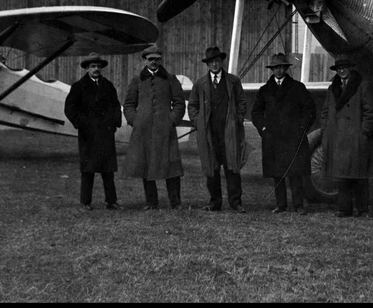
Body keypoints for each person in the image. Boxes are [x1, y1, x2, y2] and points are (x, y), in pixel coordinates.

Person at [251, 53, 317, 215]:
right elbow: (256, 113)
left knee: (296, 172)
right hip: (273, 138)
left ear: (286, 68)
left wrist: (302, 128)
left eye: (281, 67)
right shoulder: (265, 90)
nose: (279, 71)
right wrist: (263, 129)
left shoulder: (297, 87)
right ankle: (281, 205)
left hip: (294, 137)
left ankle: (298, 205)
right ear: (272, 70)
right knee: (277, 172)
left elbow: (310, 110)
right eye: (276, 68)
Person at [122, 44, 185, 210]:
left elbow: (179, 103)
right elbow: (128, 104)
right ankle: (151, 202)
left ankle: (176, 202)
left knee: (171, 166)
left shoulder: (171, 79)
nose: (154, 62)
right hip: (144, 131)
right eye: (151, 59)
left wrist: (172, 120)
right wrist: (135, 121)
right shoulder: (137, 80)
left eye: (157, 59)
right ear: (144, 60)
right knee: (146, 165)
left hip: (165, 130)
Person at [188, 46, 248, 213]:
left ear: (222, 62)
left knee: (232, 168)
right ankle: (215, 203)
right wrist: (198, 122)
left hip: (229, 133)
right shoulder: (200, 84)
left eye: (217, 61)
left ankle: (236, 202)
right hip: (209, 134)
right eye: (211, 62)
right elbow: (192, 106)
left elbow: (242, 102)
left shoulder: (233, 81)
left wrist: (238, 118)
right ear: (207, 65)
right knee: (211, 169)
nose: (214, 64)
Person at [318, 55, 373, 217]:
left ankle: (363, 209)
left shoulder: (362, 85)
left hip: (356, 137)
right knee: (341, 177)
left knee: (359, 176)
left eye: (344, 67)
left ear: (351, 68)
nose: (342, 70)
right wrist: (326, 129)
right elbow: (325, 111)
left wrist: (364, 132)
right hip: (337, 137)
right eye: (339, 68)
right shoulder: (333, 88)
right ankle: (344, 209)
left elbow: (370, 111)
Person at [64, 53, 123, 211]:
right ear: (87, 68)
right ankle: (85, 202)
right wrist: (83, 124)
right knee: (88, 170)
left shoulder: (108, 86)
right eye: (93, 66)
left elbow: (116, 106)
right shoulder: (78, 87)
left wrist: (114, 123)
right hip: (88, 134)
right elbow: (70, 108)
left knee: (108, 170)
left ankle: (111, 201)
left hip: (105, 132)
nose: (96, 69)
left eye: (98, 66)